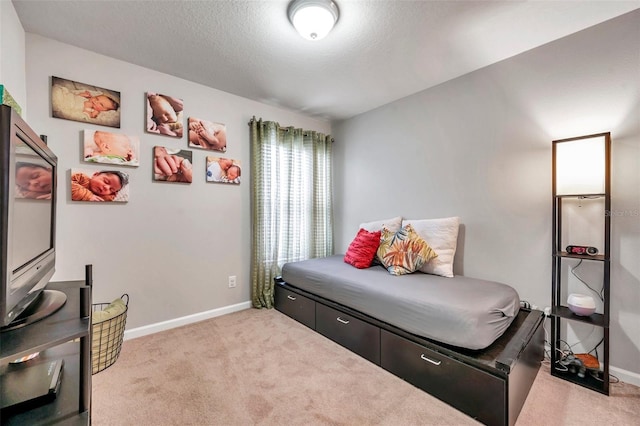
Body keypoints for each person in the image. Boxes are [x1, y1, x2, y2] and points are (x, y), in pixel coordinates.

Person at [52, 84, 119, 120]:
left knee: (57, 102)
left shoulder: (95, 111)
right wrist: (82, 95)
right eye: (97, 98)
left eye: (101, 104)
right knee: (58, 91)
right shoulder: (88, 99)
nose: (96, 102)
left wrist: (86, 108)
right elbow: (74, 95)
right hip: (68, 97)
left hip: (68, 104)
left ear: (104, 110)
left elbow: (88, 116)